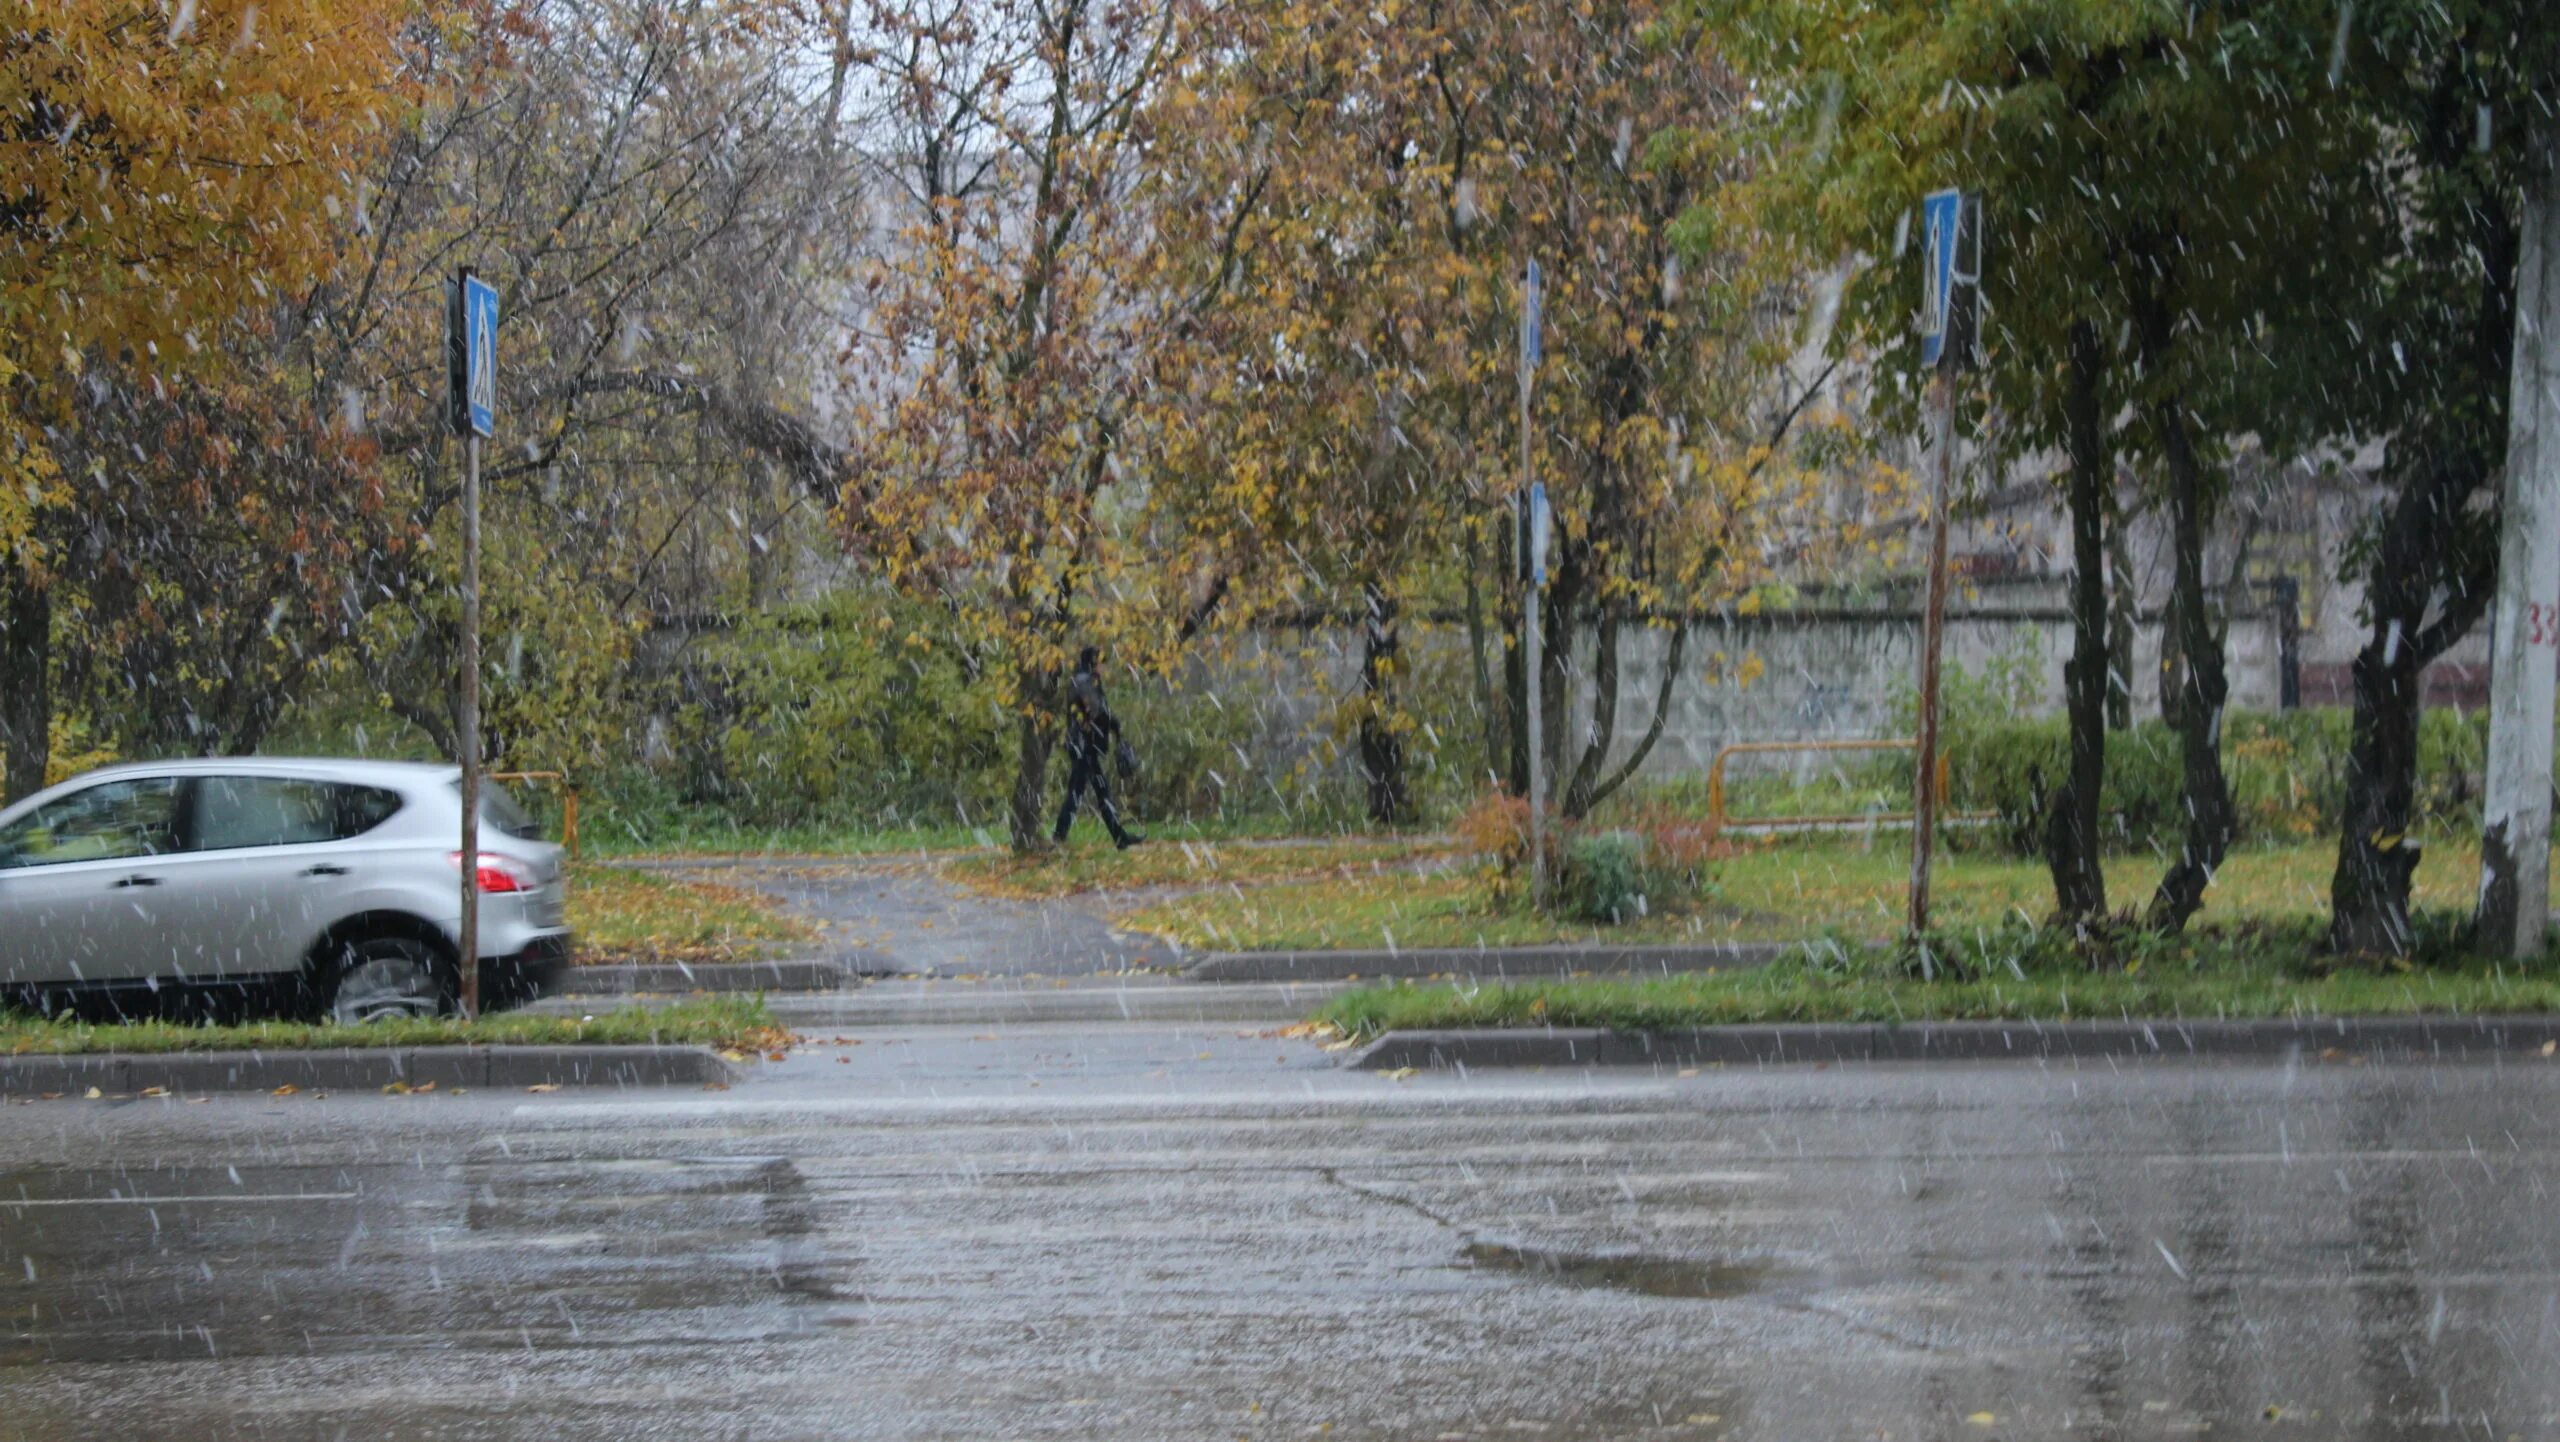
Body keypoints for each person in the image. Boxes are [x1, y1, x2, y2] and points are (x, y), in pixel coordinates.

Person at [1054, 646, 1141, 848]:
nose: (1104, 667)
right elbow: (1097, 711)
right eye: (1102, 663)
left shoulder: (1082, 679)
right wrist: (1115, 725)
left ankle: (1119, 838)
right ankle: (1059, 837)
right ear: (1094, 662)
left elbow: (1096, 710)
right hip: (1084, 746)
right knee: (1082, 794)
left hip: (1083, 745)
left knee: (1095, 792)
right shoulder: (1085, 681)